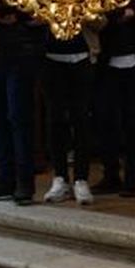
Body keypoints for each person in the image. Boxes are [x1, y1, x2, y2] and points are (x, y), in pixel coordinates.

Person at [0, 9, 44, 206]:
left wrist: (19, 16)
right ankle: (5, 179)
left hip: (22, 49)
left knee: (19, 117)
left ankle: (25, 182)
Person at [93, 3, 135, 198]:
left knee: (133, 122)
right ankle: (110, 174)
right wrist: (115, 14)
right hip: (106, 59)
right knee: (104, 120)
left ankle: (131, 179)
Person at [40, 26, 96, 205]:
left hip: (82, 55)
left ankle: (81, 178)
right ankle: (60, 177)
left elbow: (101, 21)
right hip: (51, 56)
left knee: (81, 119)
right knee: (55, 120)